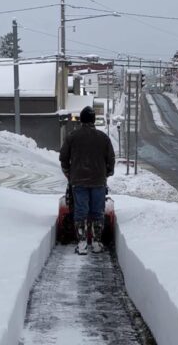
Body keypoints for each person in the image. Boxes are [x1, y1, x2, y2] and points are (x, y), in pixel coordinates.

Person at [60, 106, 115, 254]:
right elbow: (111, 159)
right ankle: (96, 243)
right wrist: (106, 173)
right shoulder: (103, 138)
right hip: (98, 181)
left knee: (80, 211)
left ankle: (82, 243)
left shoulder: (72, 137)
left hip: (78, 181)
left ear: (81, 120)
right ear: (93, 120)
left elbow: (63, 158)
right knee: (98, 212)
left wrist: (69, 174)